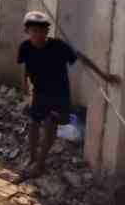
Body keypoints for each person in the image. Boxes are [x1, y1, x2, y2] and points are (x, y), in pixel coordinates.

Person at [17, 11, 120, 180]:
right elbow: (26, 66)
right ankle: (32, 158)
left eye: (42, 31)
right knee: (34, 123)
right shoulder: (25, 47)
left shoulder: (58, 46)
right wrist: (25, 85)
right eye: (34, 31)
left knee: (51, 125)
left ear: (47, 32)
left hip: (59, 94)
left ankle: (40, 164)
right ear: (26, 31)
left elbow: (81, 58)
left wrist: (104, 76)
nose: (38, 35)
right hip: (39, 92)